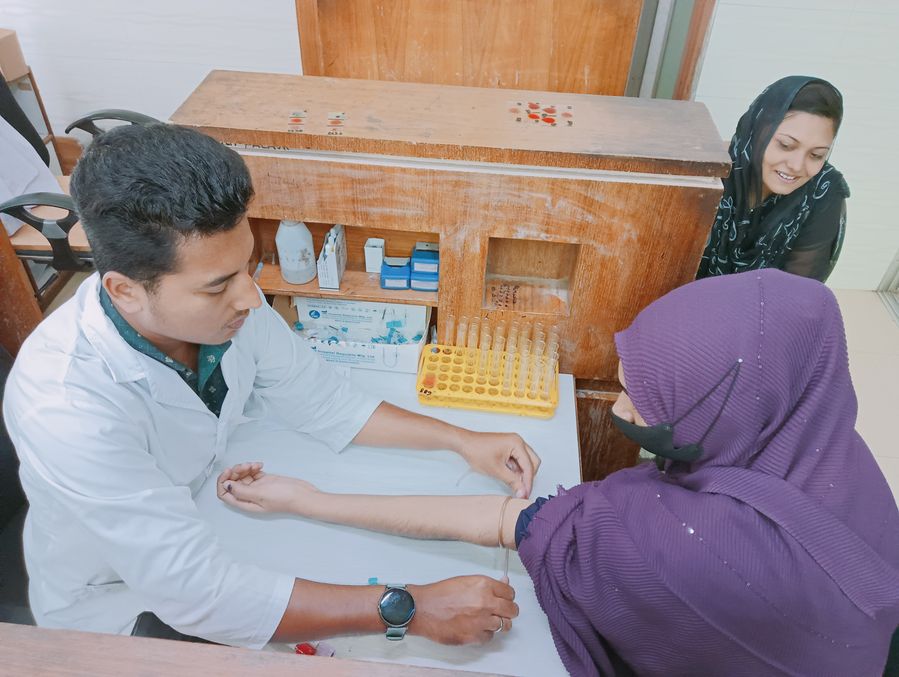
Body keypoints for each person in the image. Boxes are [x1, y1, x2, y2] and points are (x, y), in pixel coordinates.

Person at [2, 122, 542, 648]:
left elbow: (327, 402)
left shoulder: (228, 311)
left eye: (247, 266)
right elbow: (199, 592)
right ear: (125, 291)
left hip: (205, 520)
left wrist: (461, 440)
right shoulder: (66, 403)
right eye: (217, 286)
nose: (250, 297)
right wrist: (407, 608)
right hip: (117, 602)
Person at [219, 269, 899, 676]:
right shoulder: (829, 451)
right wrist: (462, 440)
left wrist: (311, 500)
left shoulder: (685, 545)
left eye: (644, 400)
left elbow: (504, 520)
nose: (622, 409)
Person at [696, 75, 850, 282]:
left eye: (816, 155)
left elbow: (800, 290)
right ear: (757, 131)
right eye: (785, 145)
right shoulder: (710, 174)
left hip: (768, 304)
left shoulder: (824, 191)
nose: (797, 165)